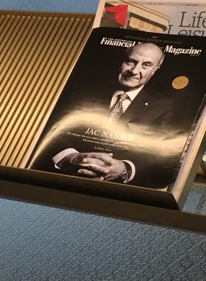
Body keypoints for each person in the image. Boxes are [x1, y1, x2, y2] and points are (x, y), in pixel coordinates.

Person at [35, 41, 179, 188]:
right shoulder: (84, 90)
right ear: (121, 62)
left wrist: (125, 169)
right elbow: (53, 130)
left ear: (155, 70)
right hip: (61, 180)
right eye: (131, 61)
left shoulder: (164, 106)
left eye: (146, 65)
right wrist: (70, 157)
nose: (134, 71)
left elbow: (162, 156)